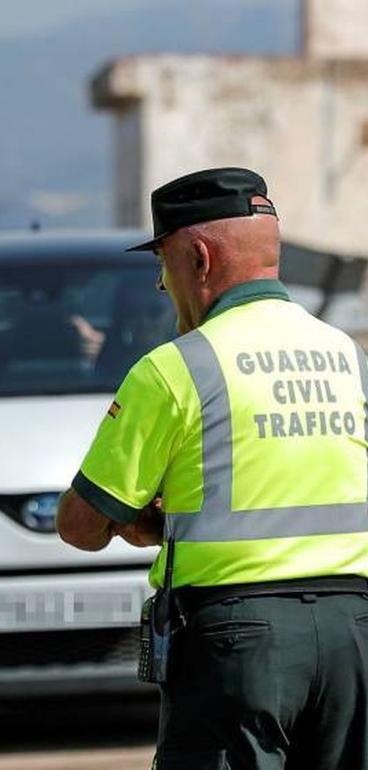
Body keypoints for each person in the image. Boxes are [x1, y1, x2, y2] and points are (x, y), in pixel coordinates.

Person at [55, 167, 368, 769]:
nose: (161, 283)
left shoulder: (177, 369)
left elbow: (81, 525)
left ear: (198, 258)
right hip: (353, 631)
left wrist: (147, 524)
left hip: (239, 641)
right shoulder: (346, 356)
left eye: (163, 264)